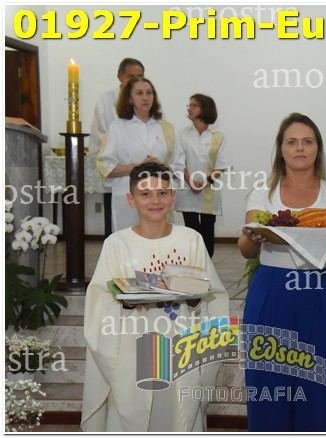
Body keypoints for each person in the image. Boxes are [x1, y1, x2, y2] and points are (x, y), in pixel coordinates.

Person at [81, 162, 228, 432]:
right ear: (131, 199)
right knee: (136, 414)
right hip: (133, 347)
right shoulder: (117, 244)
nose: (155, 200)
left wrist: (196, 301)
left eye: (162, 193)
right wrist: (122, 303)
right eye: (145, 194)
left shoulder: (191, 240)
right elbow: (99, 300)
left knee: (175, 414)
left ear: (173, 196)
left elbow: (215, 295)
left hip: (180, 344)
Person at [238, 113, 326, 432]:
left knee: (321, 382)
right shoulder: (263, 194)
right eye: (292, 142)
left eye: (307, 141)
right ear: (281, 149)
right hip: (271, 291)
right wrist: (252, 236)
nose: (300, 148)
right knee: (268, 380)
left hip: (319, 291)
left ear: (318, 148)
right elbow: (246, 250)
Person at [96, 76, 183, 231]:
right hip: (128, 197)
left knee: (159, 240)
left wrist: (162, 166)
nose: (145, 97)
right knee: (130, 240)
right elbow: (104, 166)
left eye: (149, 93)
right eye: (139, 93)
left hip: (160, 197)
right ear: (129, 98)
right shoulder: (117, 127)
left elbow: (179, 164)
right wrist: (137, 167)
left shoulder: (166, 128)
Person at [90, 58, 145, 238]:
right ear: (120, 76)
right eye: (131, 76)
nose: (136, 80)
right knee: (116, 228)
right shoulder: (106, 101)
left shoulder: (147, 100)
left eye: (140, 76)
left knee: (144, 227)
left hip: (143, 177)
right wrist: (128, 160)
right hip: (117, 173)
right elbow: (101, 134)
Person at [175, 94, 229, 258]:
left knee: (207, 233)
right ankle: (193, 266)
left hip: (209, 192)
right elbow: (178, 162)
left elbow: (221, 165)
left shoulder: (218, 136)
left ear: (205, 109)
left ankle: (207, 267)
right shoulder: (182, 134)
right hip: (187, 190)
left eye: (194, 105)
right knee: (191, 233)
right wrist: (190, 181)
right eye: (189, 105)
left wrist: (205, 182)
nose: (189, 109)